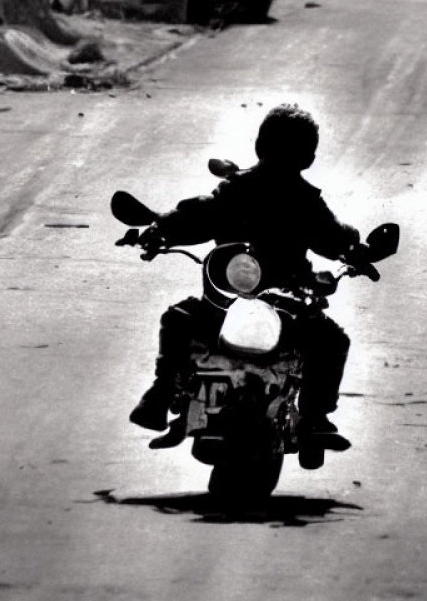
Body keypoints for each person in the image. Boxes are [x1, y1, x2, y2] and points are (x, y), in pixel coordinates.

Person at [129, 103, 369, 446]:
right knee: (331, 341)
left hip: (237, 304)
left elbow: (195, 218)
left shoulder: (241, 189)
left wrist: (158, 231)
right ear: (309, 158)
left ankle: (161, 394)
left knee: (179, 319)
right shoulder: (302, 200)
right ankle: (315, 415)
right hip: (281, 307)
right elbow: (332, 239)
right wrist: (353, 247)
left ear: (259, 146)